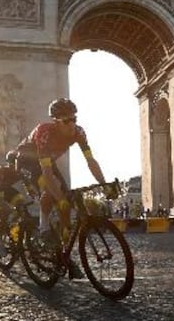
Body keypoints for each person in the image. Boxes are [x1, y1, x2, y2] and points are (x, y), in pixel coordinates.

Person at [18, 98, 107, 246]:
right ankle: (44, 228)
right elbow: (46, 174)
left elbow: (91, 161)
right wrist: (59, 197)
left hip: (47, 161)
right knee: (51, 190)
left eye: (74, 118)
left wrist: (104, 184)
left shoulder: (79, 132)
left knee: (66, 200)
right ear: (56, 121)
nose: (72, 124)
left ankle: (64, 245)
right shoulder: (44, 132)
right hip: (27, 160)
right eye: (66, 121)